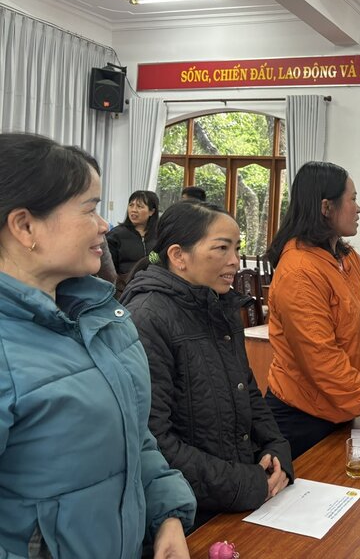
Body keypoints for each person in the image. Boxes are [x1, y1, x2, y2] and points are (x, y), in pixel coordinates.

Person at [0, 133, 196, 558]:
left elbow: (132, 436)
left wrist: (167, 516)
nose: (105, 225)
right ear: (25, 225)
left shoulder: (103, 318)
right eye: (90, 209)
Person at [122, 201, 293, 528]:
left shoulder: (219, 307)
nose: (234, 261)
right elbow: (154, 439)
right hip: (187, 512)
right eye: (222, 248)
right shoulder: (147, 318)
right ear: (178, 256)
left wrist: (275, 447)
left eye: (237, 248)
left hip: (238, 496)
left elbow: (249, 392)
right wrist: (243, 483)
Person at [264, 161, 360, 459]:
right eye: (352, 199)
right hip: (301, 418)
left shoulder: (347, 257)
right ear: (326, 207)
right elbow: (321, 360)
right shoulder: (299, 272)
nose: (359, 208)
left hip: (340, 408)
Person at [107, 189, 160, 291]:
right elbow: (109, 270)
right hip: (124, 290)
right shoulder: (115, 235)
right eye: (131, 205)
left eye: (139, 206)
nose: (133, 210)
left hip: (155, 288)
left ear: (152, 212)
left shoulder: (160, 235)